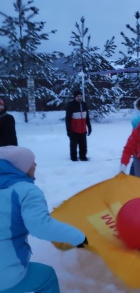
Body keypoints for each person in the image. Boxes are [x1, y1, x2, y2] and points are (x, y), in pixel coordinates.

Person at [0, 145, 88, 293]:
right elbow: (40, 226)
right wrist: (78, 237)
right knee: (47, 277)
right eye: (31, 162)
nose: (35, 165)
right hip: (5, 275)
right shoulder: (26, 190)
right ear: (21, 168)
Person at [65, 90, 92, 161]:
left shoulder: (84, 105)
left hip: (83, 130)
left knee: (83, 145)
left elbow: (87, 117)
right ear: (75, 97)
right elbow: (67, 119)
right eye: (77, 96)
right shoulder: (71, 105)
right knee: (73, 146)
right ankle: (73, 158)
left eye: (80, 96)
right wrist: (68, 130)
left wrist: (89, 126)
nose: (79, 98)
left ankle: (83, 157)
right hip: (74, 130)